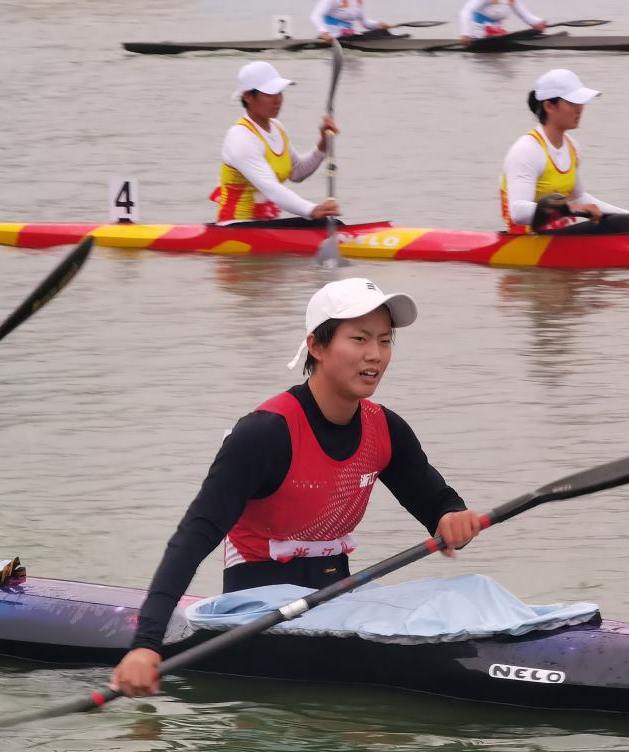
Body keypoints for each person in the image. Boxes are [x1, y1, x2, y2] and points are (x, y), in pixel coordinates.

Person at [110, 278, 483, 696]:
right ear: (316, 346)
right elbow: (193, 538)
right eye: (359, 339)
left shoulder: (385, 429)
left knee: (474, 592)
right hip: (258, 612)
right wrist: (145, 645)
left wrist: (453, 519)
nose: (375, 354)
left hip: (337, 601)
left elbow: (437, 503)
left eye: (384, 341)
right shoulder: (265, 434)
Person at [501, 69, 629, 235]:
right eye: (572, 103)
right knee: (617, 224)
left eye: (581, 102)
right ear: (549, 106)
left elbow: (579, 198)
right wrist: (572, 208)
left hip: (558, 235)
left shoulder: (572, 147)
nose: (580, 109)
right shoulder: (526, 150)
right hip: (528, 238)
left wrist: (626, 214)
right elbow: (518, 212)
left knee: (622, 221)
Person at [212, 61, 340, 225]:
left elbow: (297, 172)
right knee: (323, 224)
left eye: (279, 92)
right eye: (270, 93)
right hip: (235, 227)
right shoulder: (240, 138)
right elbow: (271, 188)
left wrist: (323, 145)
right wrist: (312, 210)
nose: (278, 100)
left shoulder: (277, 128)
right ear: (248, 96)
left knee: (327, 224)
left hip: (266, 227)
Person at [460, 0, 545, 46]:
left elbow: (523, 14)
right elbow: (466, 11)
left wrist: (537, 22)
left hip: (495, 29)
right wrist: (465, 34)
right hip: (477, 29)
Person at [310, 1, 390, 42]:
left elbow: (365, 23)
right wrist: (324, 33)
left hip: (348, 37)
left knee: (382, 32)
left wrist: (378, 24)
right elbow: (316, 16)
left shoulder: (357, 2)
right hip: (331, 38)